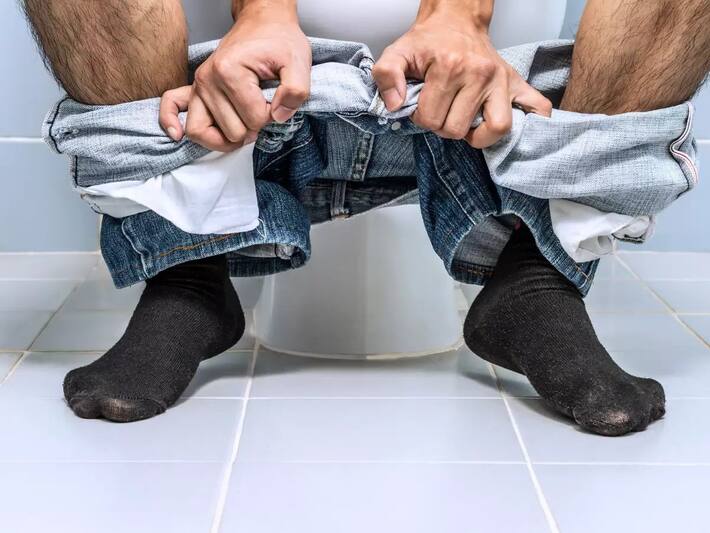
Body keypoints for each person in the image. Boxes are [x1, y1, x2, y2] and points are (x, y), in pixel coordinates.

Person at [23, 0, 709, 435]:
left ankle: (537, 276)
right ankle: (186, 273)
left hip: (490, 94)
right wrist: (260, 11)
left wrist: (461, 15)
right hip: (240, 95)